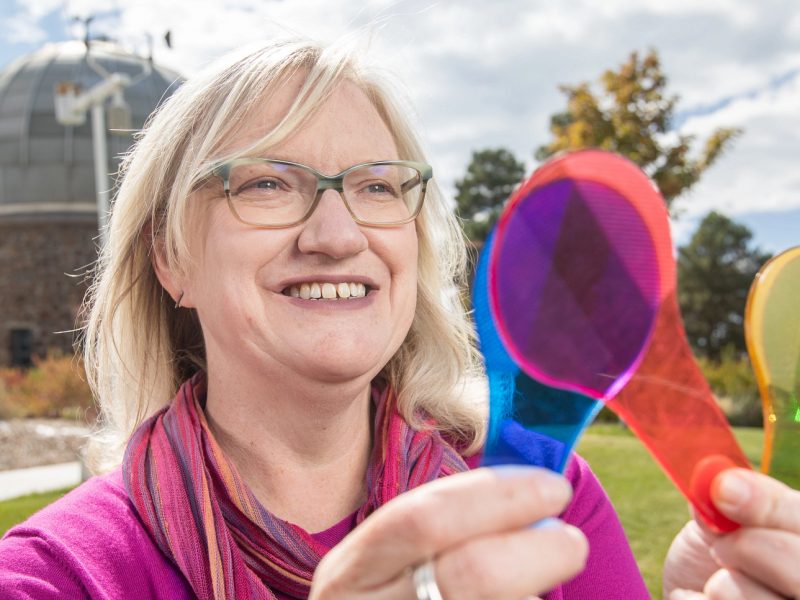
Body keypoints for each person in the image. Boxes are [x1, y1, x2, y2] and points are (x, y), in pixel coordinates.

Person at [0, 37, 798, 600]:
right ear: (171, 258)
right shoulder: (55, 576)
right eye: (268, 183)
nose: (338, 234)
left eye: (378, 186)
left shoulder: (543, 494)